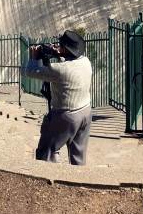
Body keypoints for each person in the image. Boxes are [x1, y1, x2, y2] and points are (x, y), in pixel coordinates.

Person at [23, 30, 93, 165]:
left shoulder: (59, 70)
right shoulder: (86, 61)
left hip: (66, 116)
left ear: (65, 50)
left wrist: (33, 57)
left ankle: (52, 178)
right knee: (78, 154)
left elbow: (30, 72)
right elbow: (69, 66)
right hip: (86, 112)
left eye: (60, 46)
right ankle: (78, 181)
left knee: (48, 150)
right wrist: (58, 53)